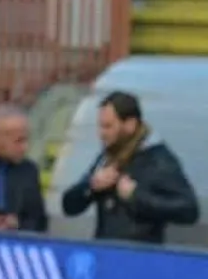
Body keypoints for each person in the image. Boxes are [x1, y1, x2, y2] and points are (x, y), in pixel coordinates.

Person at [61, 91, 199, 244]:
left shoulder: (158, 160)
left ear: (130, 125)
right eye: (100, 126)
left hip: (141, 258)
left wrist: (136, 196)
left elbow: (189, 210)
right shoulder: (107, 156)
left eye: (108, 127)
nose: (101, 134)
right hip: (105, 252)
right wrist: (91, 186)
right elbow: (69, 206)